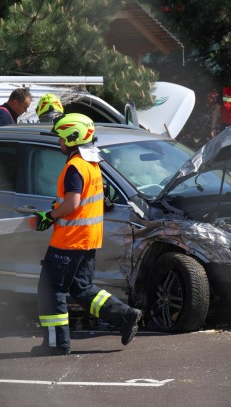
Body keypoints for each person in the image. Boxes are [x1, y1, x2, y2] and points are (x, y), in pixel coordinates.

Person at [33, 113, 142, 355]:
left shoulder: (74, 166)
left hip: (69, 241)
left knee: (51, 291)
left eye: (61, 139)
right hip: (88, 239)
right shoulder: (92, 162)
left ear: (72, 138)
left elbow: (72, 204)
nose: (59, 143)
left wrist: (49, 216)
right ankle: (126, 316)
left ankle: (56, 344)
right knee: (81, 288)